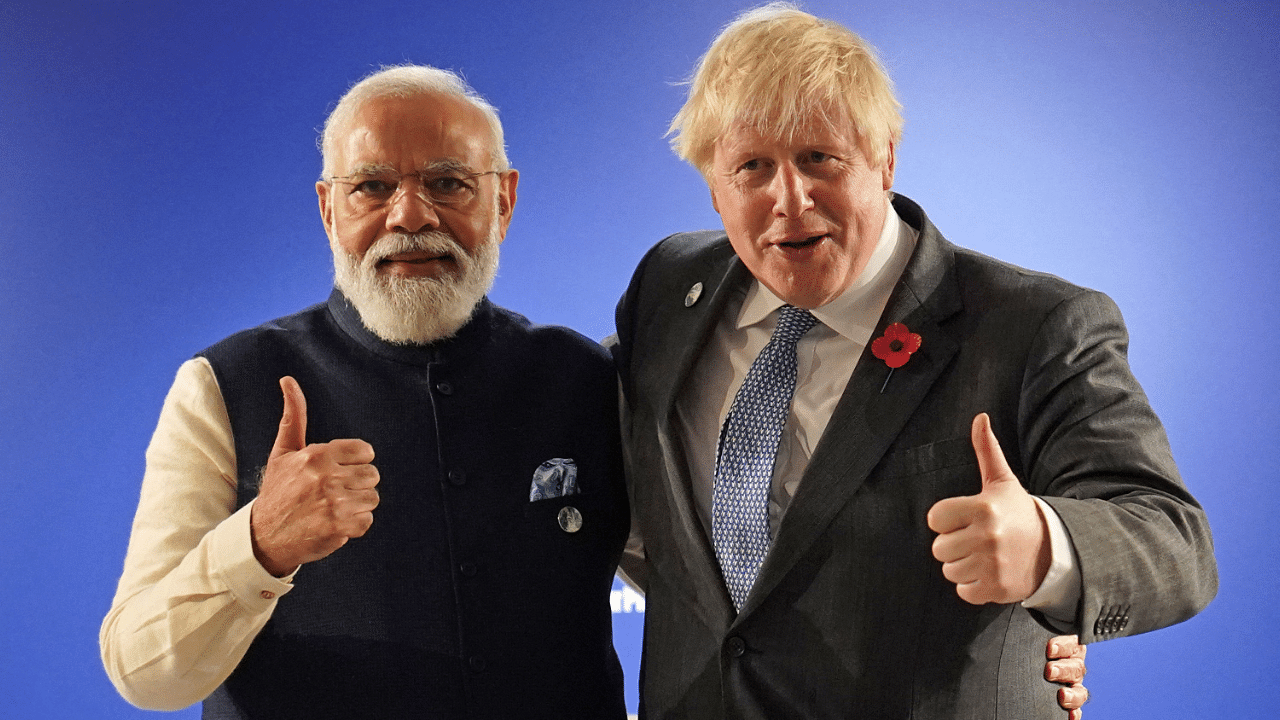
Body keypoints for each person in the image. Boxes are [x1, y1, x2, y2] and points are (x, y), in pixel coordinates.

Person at [610, 4, 1216, 718]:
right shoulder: (668, 291)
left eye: (819, 158)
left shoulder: (1034, 328)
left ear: (885, 158)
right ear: (715, 186)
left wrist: (1046, 549)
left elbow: (1175, 545)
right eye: (752, 168)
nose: (790, 200)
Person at [100, 65, 629, 719]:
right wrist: (260, 544)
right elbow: (143, 673)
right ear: (328, 208)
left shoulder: (584, 379)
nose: (409, 216)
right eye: (372, 188)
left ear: (503, 201)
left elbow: (696, 588)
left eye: (448, 183)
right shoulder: (221, 386)